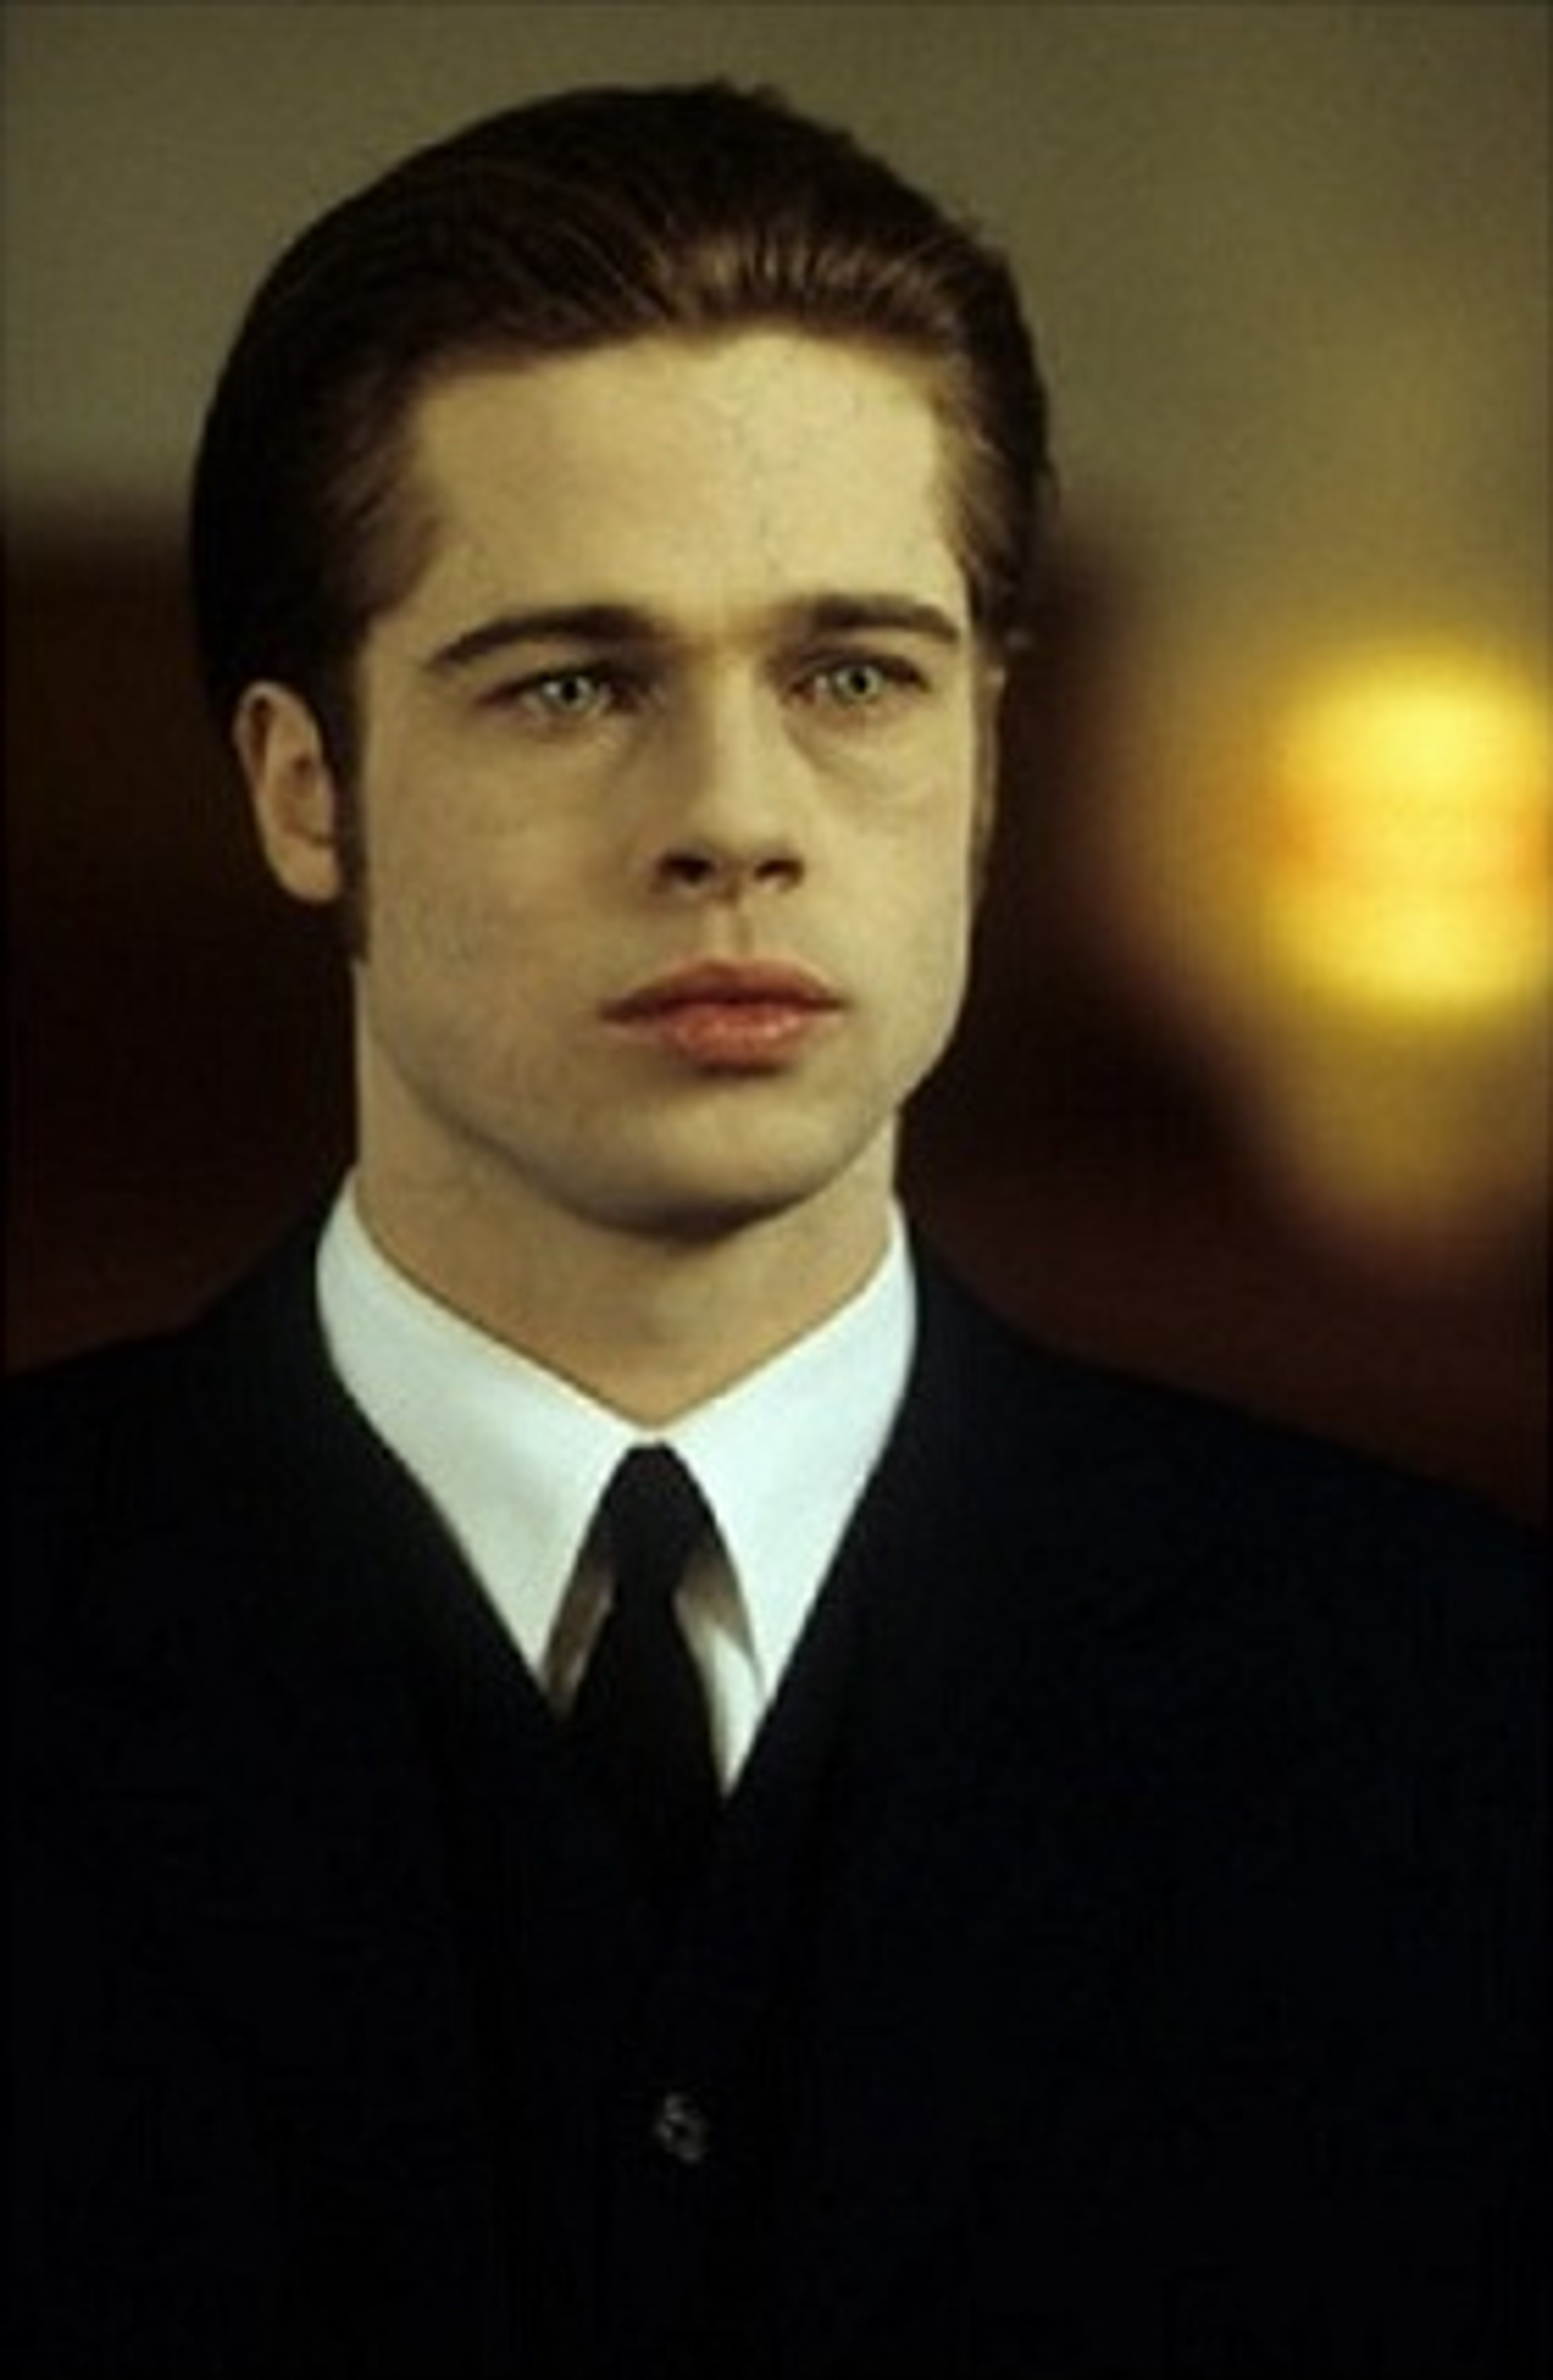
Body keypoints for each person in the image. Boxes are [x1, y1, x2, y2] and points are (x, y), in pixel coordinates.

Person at [7, 81, 1543, 2380]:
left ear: (988, 758)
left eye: (850, 678)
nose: (735, 818)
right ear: (306, 790)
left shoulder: (1458, 1704)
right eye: (572, 684)